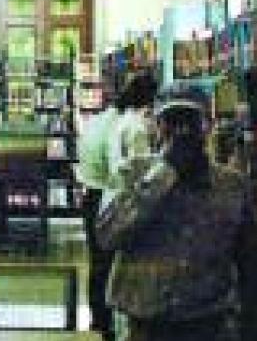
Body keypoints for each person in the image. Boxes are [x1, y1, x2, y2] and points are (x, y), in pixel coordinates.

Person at [97, 84, 257, 341]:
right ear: (157, 126)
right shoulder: (130, 174)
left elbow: (253, 264)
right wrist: (164, 172)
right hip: (146, 326)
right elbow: (108, 234)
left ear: (207, 127)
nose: (181, 133)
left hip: (209, 324)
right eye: (172, 122)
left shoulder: (231, 185)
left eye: (190, 123)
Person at [77, 71, 158, 341]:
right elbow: (129, 171)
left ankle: (99, 320)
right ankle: (108, 322)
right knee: (110, 264)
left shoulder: (103, 120)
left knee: (98, 263)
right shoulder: (128, 125)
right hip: (106, 195)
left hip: (94, 193)